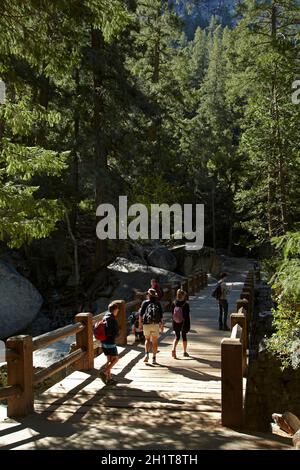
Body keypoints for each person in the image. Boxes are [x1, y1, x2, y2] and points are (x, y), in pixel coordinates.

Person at [139, 288, 164, 365]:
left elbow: (140, 315)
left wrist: (140, 324)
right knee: (155, 341)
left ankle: (146, 354)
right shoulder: (158, 303)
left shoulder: (145, 303)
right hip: (155, 324)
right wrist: (162, 325)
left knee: (147, 339)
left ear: (148, 295)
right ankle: (154, 358)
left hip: (146, 323)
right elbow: (161, 316)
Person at [99, 301, 120, 385]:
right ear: (114, 310)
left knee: (109, 360)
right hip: (110, 342)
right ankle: (104, 372)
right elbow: (115, 333)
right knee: (115, 359)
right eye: (117, 310)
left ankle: (109, 378)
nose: (117, 311)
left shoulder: (104, 317)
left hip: (103, 342)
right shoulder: (113, 320)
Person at [171, 289, 191, 359]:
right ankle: (185, 352)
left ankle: (173, 349)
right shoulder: (186, 304)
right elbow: (187, 315)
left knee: (177, 337)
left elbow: (172, 314)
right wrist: (188, 325)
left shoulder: (174, 303)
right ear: (183, 296)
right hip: (184, 322)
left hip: (176, 322)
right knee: (184, 336)